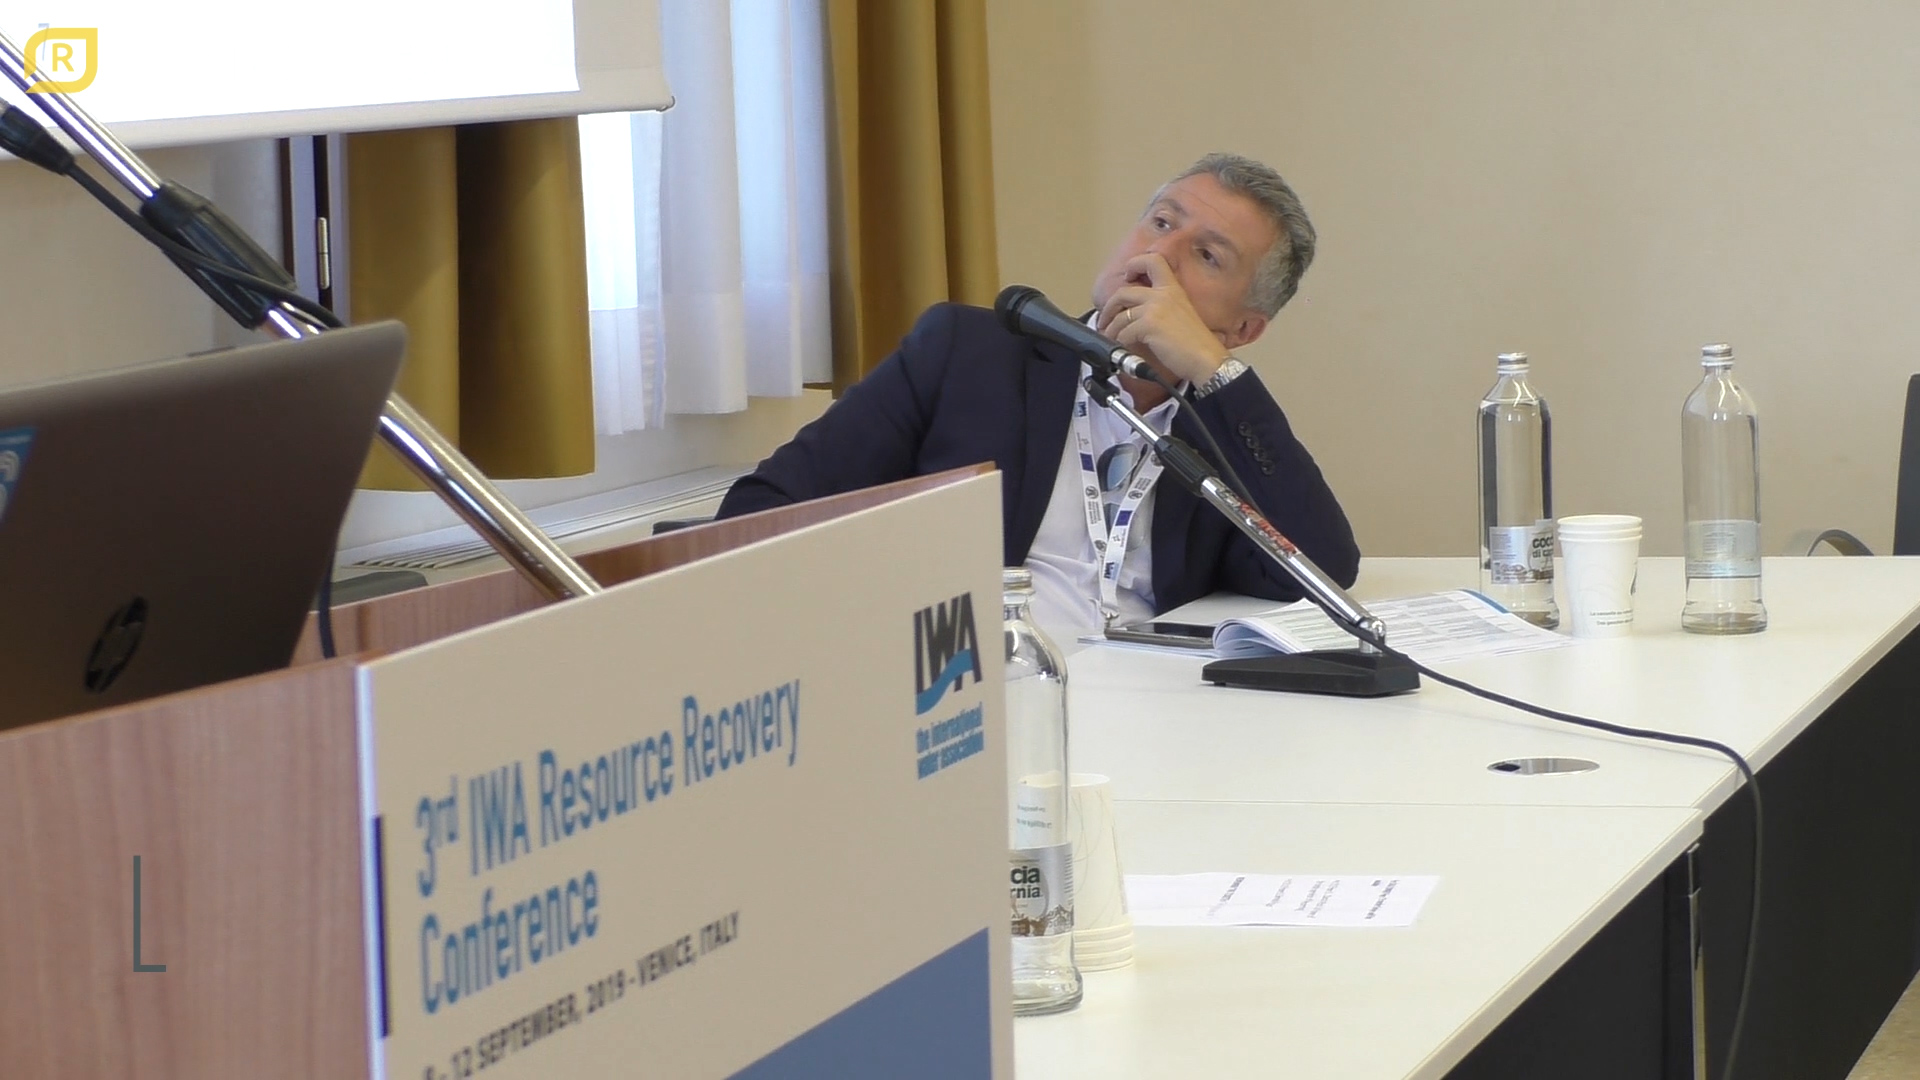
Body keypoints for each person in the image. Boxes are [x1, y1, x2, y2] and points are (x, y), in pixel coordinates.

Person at [717, 152, 1360, 643]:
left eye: (1207, 256)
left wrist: (1216, 372)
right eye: (1160, 222)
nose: (1157, 255)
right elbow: (760, 511)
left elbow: (1321, 571)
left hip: (1154, 704)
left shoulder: (1221, 425)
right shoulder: (968, 353)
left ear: (1242, 329)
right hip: (974, 693)